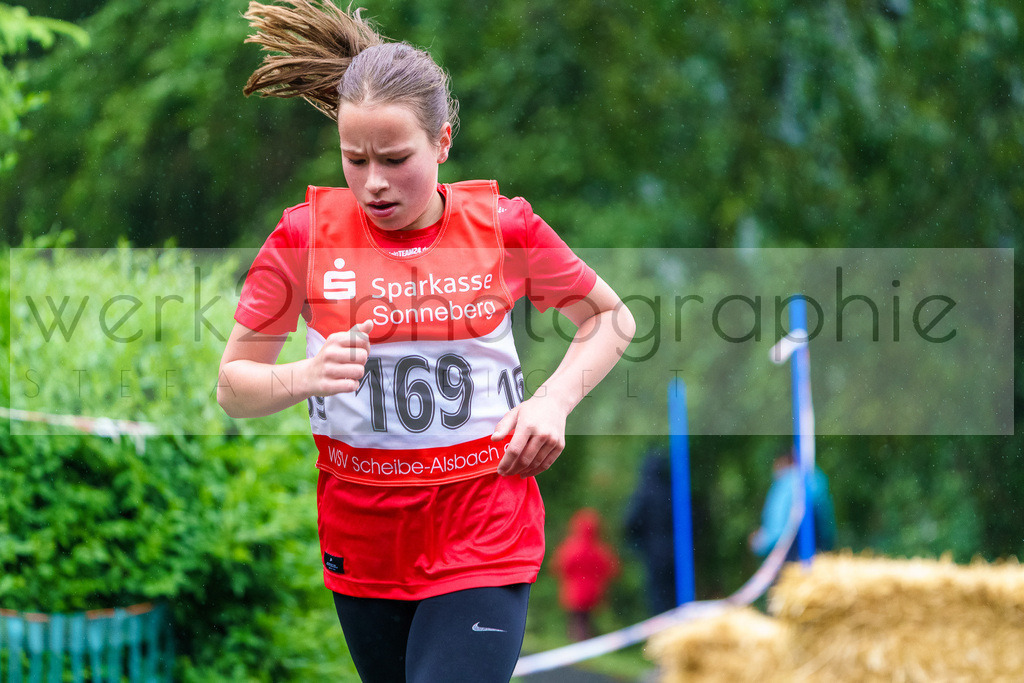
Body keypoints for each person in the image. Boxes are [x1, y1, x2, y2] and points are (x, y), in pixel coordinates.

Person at [216, 2, 636, 682]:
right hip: (366, 545)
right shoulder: (304, 238)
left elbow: (612, 320)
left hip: (484, 530)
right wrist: (307, 374)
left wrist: (553, 402)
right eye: (355, 160)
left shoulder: (504, 229)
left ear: (442, 141)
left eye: (396, 158)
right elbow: (234, 385)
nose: (374, 181)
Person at [748, 449, 837, 561]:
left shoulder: (785, 483)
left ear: (784, 461)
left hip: (791, 559)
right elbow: (827, 530)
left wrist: (757, 542)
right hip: (817, 557)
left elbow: (775, 533)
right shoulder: (818, 479)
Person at [552, 508, 620, 641]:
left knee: (577, 619)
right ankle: (585, 643)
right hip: (593, 591)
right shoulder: (600, 549)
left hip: (574, 590)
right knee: (586, 619)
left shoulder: (571, 547)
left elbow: (559, 566)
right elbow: (612, 569)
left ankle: (579, 643)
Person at [623, 447, 677, 615]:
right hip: (676, 552)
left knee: (658, 598)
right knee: (674, 596)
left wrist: (638, 544)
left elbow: (630, 522)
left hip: (654, 553)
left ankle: (662, 634)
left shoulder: (644, 494)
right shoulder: (673, 492)